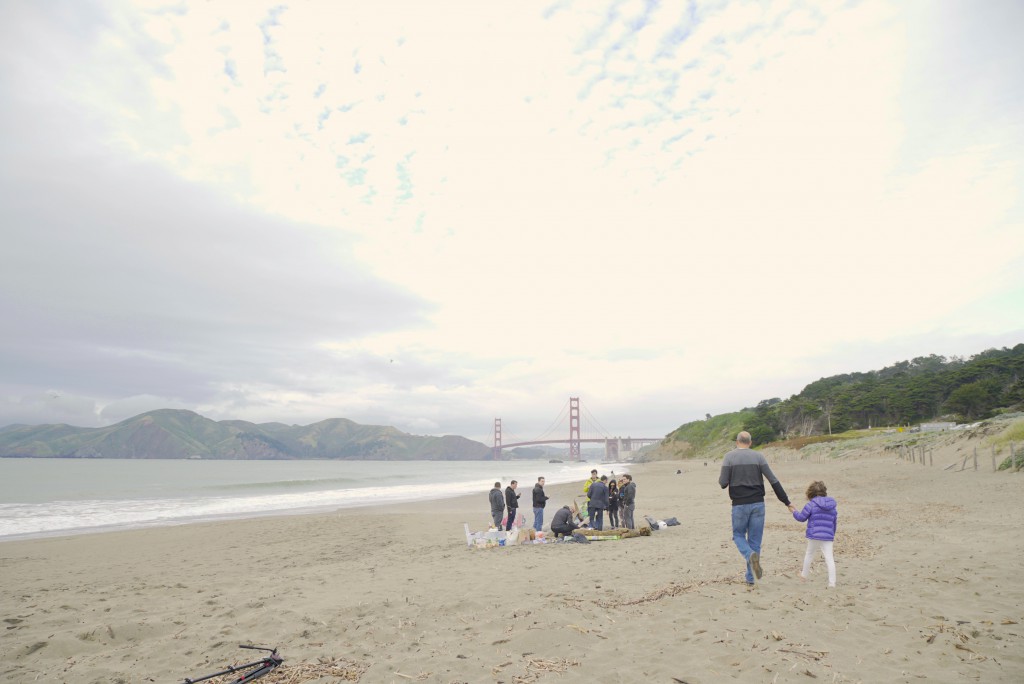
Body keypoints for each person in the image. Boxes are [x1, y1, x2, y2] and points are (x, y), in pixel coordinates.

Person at [719, 431, 795, 585]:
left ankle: (749, 556)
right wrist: (786, 501)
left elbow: (722, 483)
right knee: (755, 541)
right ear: (750, 442)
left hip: (739, 504)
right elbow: (773, 480)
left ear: (737, 442)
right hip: (758, 504)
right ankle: (750, 578)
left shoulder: (729, 457)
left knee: (738, 535)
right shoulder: (759, 457)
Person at [792, 480, 838, 588]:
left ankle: (804, 576)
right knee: (829, 558)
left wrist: (793, 511)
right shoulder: (832, 505)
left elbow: (801, 518)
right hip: (828, 536)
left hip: (814, 535)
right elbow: (834, 521)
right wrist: (832, 534)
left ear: (810, 493)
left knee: (809, 554)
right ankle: (832, 583)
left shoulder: (811, 504)